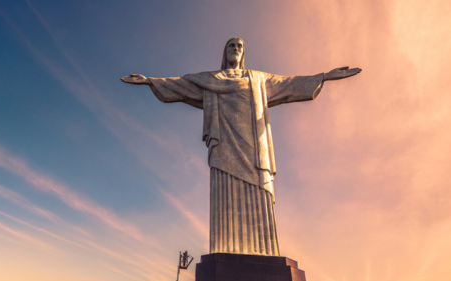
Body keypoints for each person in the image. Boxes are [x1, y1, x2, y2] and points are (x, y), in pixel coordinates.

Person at [121, 38, 361, 256]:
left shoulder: (257, 79)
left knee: (258, 193)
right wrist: (149, 81)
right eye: (231, 46)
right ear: (225, 53)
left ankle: (264, 251)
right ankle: (226, 247)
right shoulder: (210, 79)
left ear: (243, 53)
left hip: (254, 147)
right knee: (225, 193)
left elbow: (290, 83)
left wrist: (323, 77)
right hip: (224, 143)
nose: (235, 49)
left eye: (239, 46)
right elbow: (181, 84)